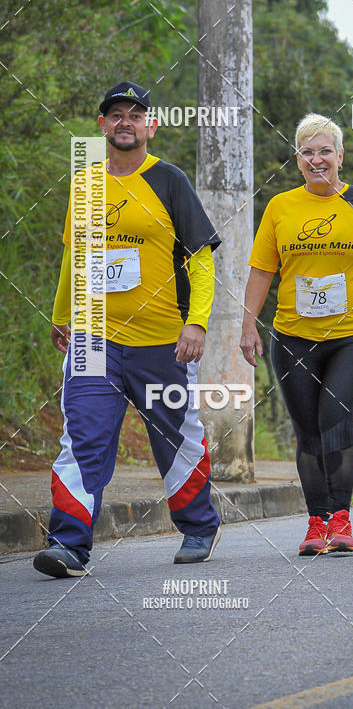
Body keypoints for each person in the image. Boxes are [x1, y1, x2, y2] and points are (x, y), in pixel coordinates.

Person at [34, 82, 222, 578]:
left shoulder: (169, 181)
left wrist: (197, 323)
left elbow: (201, 262)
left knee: (176, 438)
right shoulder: (86, 183)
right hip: (94, 337)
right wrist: (61, 313)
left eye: (135, 115)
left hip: (164, 341)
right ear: (101, 126)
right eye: (115, 115)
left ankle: (199, 525)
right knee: (84, 437)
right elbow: (74, 256)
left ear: (151, 126)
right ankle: (68, 545)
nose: (125, 122)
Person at [240, 113, 353, 555]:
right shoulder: (280, 207)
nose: (317, 159)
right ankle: (316, 523)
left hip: (352, 335)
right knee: (308, 432)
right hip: (292, 336)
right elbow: (262, 270)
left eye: (325, 151)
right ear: (298, 160)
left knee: (336, 422)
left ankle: (340, 517)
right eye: (307, 152)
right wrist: (248, 326)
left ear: (340, 156)